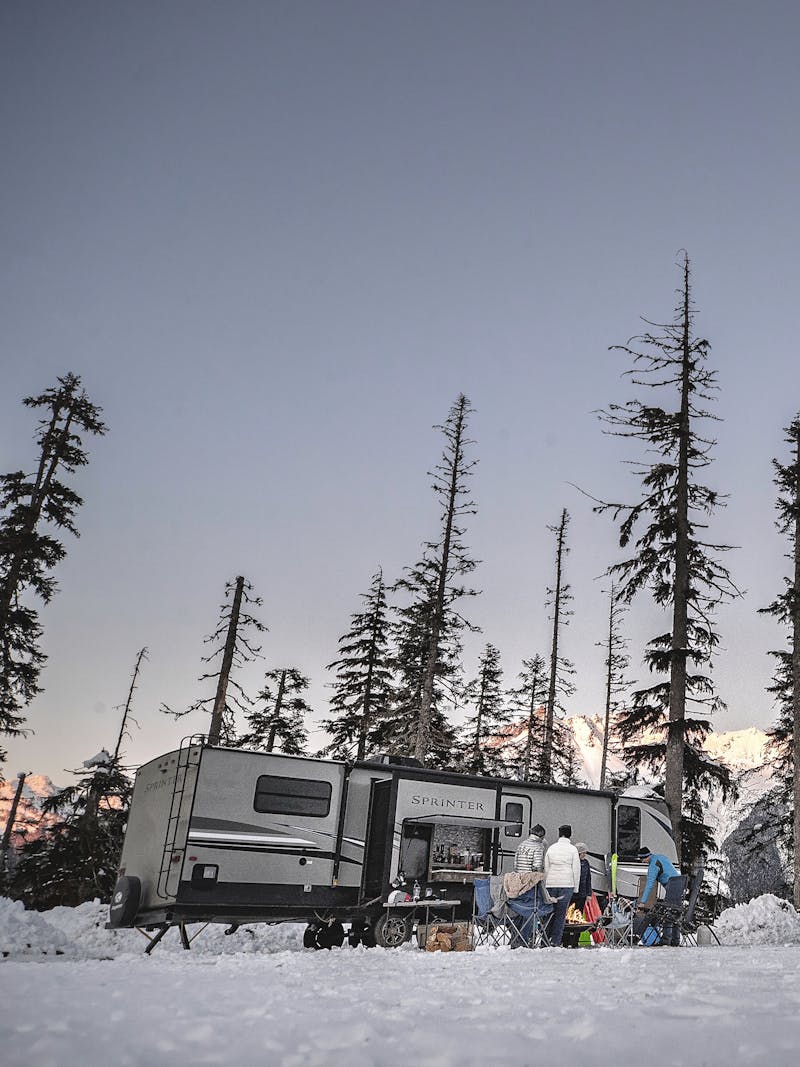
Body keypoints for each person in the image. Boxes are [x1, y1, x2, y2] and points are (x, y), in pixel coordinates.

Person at [636, 845, 684, 946]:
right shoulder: (661, 857)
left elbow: (649, 885)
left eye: (642, 859)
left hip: (672, 886)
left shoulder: (653, 865)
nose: (642, 862)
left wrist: (642, 902)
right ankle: (675, 940)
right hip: (680, 884)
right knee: (675, 913)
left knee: (667, 913)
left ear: (646, 857)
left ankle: (665, 941)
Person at [544, 824, 581, 946]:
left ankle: (545, 939)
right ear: (570, 834)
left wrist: (546, 884)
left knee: (549, 912)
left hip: (551, 883)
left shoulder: (551, 848)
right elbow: (576, 869)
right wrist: (575, 888)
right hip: (566, 884)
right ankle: (555, 941)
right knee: (561, 915)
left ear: (559, 834)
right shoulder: (573, 849)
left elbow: (546, 867)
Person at [561, 841, 592, 948]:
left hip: (582, 895)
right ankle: (565, 940)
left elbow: (588, 879)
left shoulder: (586, 863)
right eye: (582, 853)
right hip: (571, 894)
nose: (584, 855)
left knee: (578, 918)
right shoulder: (571, 863)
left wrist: (589, 893)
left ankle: (575, 941)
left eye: (585, 853)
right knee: (568, 917)